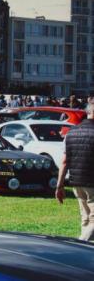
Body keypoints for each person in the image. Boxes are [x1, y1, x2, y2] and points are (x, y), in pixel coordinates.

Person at [56, 102, 94, 241]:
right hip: (92, 182)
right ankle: (81, 243)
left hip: (76, 181)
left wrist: (59, 185)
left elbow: (64, 161)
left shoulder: (71, 132)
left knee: (86, 218)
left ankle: (85, 254)